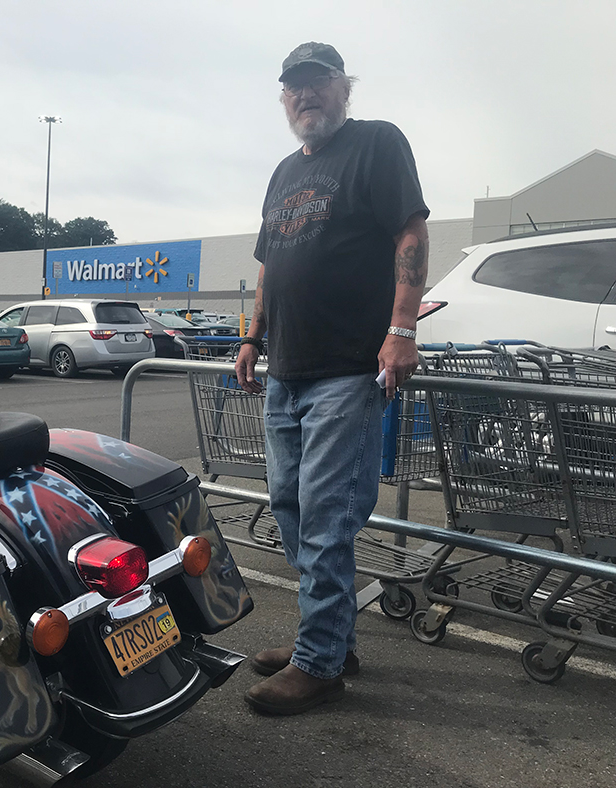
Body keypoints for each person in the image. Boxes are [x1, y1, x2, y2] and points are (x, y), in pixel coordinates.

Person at [235, 42, 429, 715]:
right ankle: (332, 641)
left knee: (324, 517)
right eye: (294, 87)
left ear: (344, 88)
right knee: (290, 510)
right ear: (283, 99)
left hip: (347, 371)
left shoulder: (376, 144)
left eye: (318, 82)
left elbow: (409, 233)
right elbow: (268, 263)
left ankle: (319, 663)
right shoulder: (285, 171)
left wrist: (401, 330)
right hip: (286, 370)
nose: (305, 95)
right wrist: (253, 336)